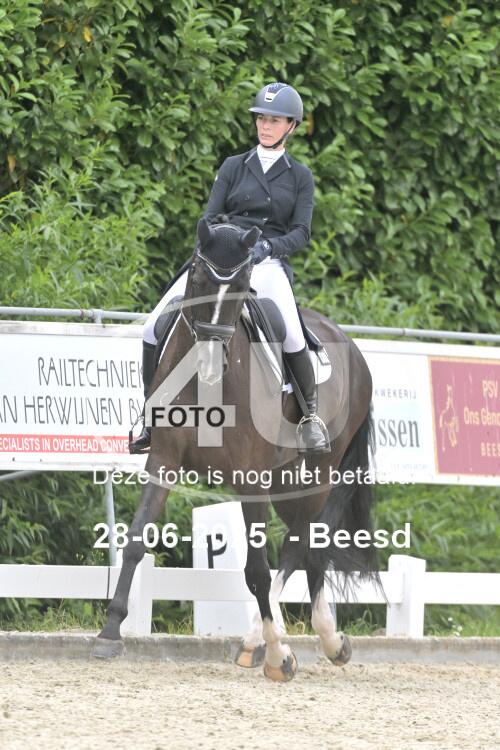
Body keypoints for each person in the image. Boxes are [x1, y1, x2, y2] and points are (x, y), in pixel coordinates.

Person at [129, 82, 330, 455]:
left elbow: (301, 232)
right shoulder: (233, 166)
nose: (265, 126)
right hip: (222, 258)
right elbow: (210, 217)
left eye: (274, 120)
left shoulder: (300, 176)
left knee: (292, 335)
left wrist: (269, 246)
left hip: (265, 262)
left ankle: (309, 418)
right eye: (261, 119)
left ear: (291, 126)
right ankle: (149, 414)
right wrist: (220, 243)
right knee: (151, 326)